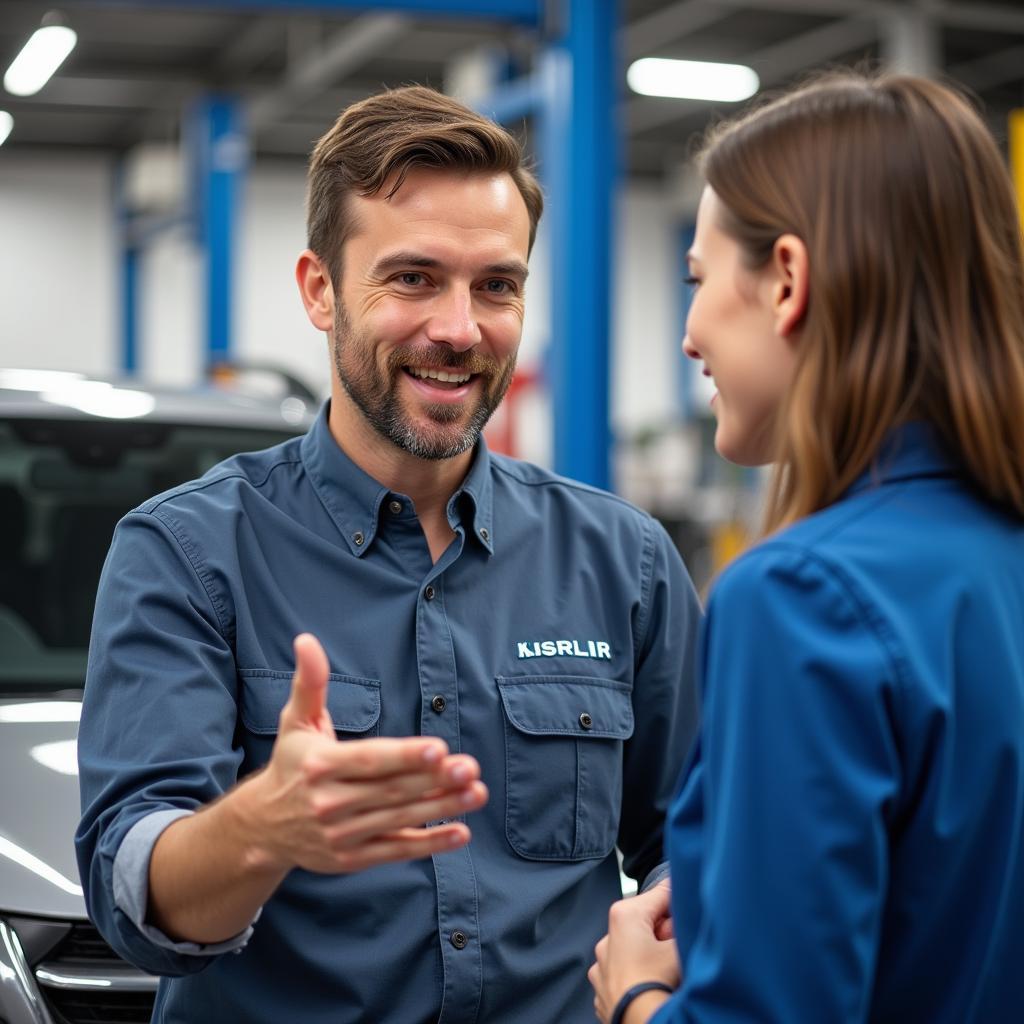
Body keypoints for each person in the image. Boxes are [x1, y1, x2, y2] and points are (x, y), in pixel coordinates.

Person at [76, 85, 702, 1024]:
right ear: (320, 290)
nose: (460, 329)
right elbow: (136, 893)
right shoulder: (190, 551)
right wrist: (264, 826)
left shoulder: (626, 562)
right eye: (412, 278)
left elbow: (694, 844)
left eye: (497, 284)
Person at [589, 71, 1024, 1024]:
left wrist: (641, 998)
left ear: (787, 279)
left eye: (699, 281)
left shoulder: (802, 596)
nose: (691, 331)